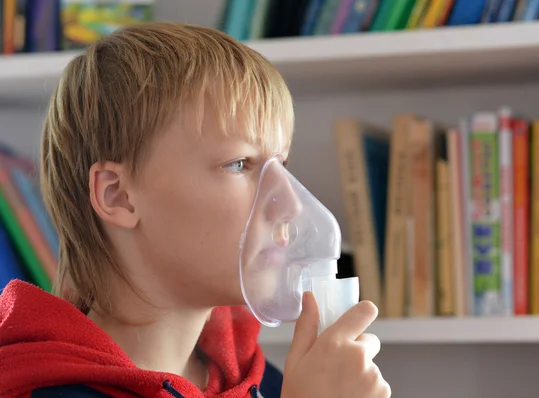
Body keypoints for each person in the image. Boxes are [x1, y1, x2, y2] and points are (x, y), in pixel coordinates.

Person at [0, 22, 390, 398]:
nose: (289, 203)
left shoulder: (258, 380)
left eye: (280, 166)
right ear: (118, 196)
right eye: (239, 164)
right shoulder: (47, 390)